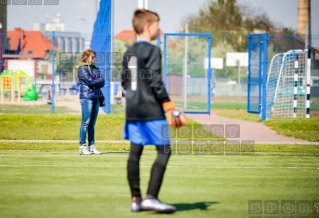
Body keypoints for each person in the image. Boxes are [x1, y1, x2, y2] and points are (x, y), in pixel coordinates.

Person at [121, 9, 186, 213]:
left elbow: (125, 82)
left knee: (135, 152)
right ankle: (151, 197)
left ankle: (135, 199)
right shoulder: (153, 51)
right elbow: (155, 81)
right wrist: (169, 105)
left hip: (133, 110)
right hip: (151, 109)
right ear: (148, 26)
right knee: (164, 150)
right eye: (157, 25)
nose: (159, 29)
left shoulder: (129, 52)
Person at [77, 49, 105, 155]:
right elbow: (89, 81)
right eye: (92, 57)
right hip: (87, 97)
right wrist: (96, 82)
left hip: (96, 97)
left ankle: (92, 146)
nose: (94, 59)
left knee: (92, 124)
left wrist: (96, 82)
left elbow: (102, 81)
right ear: (86, 57)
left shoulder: (96, 68)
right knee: (86, 122)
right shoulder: (82, 69)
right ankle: (82, 147)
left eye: (95, 57)